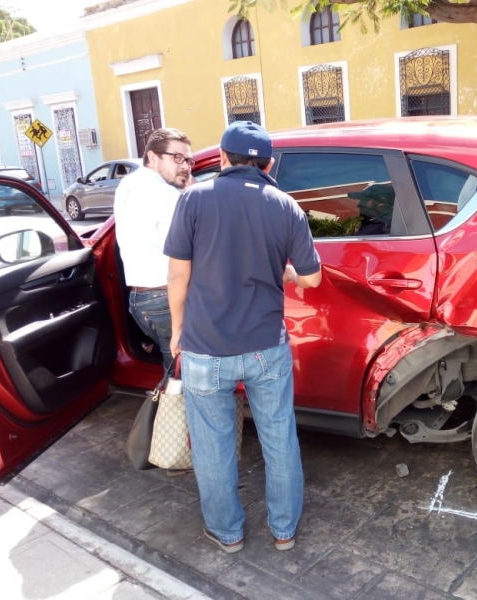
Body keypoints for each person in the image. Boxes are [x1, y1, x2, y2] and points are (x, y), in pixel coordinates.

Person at [164, 121, 322, 554]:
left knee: (213, 445)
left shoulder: (194, 198)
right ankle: (284, 531)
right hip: (266, 347)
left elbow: (178, 274)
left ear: (222, 159)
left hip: (204, 346)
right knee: (279, 437)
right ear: (268, 163)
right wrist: (283, 271)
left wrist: (177, 331)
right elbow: (311, 276)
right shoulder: (286, 205)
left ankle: (228, 534)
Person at [114, 128, 194, 369]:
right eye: (177, 158)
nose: (186, 166)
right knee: (187, 382)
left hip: (140, 300)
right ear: (152, 157)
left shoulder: (128, 184)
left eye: (188, 160)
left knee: (177, 375)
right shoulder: (165, 194)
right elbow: (190, 246)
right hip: (165, 299)